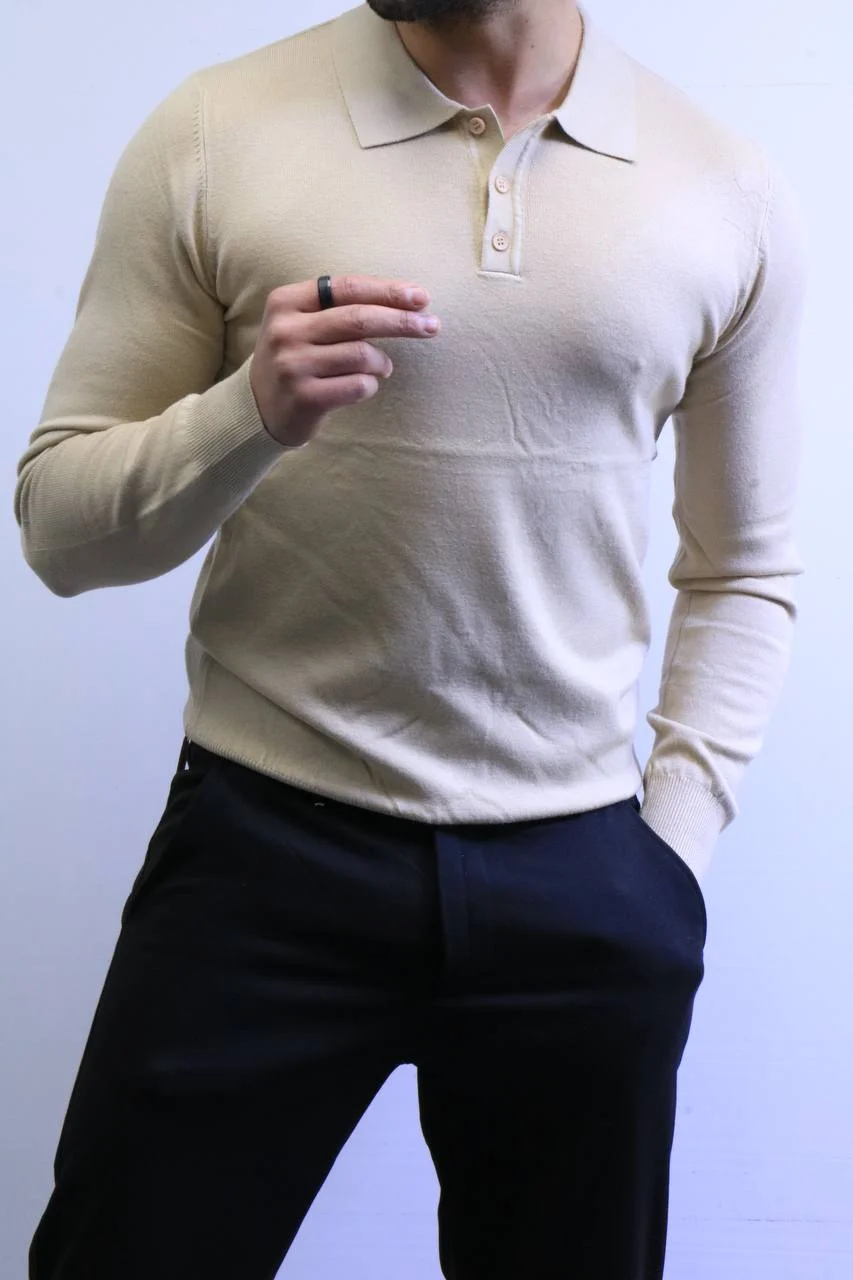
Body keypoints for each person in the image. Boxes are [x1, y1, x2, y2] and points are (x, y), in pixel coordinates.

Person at [14, 0, 808, 1275]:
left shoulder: (723, 187)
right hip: (263, 854)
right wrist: (246, 412)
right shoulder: (215, 130)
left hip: (582, 881)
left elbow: (743, 569)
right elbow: (59, 531)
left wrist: (670, 857)